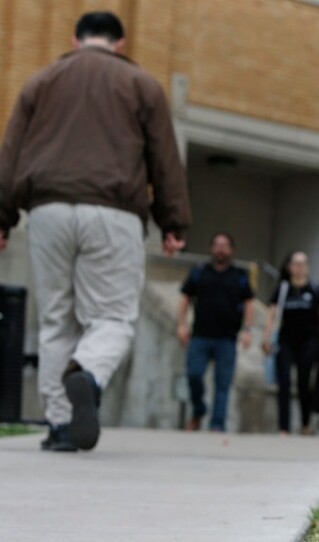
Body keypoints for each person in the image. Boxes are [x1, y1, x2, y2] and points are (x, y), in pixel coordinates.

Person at [0, 12, 190, 452]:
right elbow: (164, 157)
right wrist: (173, 221)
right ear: (120, 44)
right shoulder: (141, 85)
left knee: (55, 320)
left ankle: (60, 426)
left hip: (46, 211)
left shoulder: (40, 81)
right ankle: (87, 371)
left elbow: (10, 151)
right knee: (112, 316)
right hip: (113, 211)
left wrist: (3, 216)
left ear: (75, 39)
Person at [177, 233, 255, 432]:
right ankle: (199, 409)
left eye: (225, 246)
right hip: (200, 335)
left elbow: (249, 303)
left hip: (227, 338)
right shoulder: (199, 271)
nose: (221, 249)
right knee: (194, 375)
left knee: (223, 383)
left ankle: (217, 425)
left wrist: (247, 330)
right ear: (212, 248)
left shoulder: (239, 275)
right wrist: (182, 324)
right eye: (217, 245)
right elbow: (185, 298)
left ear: (232, 250)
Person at [262, 252, 319, 435]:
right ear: (289, 267)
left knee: (303, 382)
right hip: (286, 340)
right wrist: (267, 338)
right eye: (296, 263)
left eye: (303, 264)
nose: (300, 267)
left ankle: (305, 423)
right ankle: (283, 427)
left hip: (309, 341)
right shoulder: (283, 289)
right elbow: (272, 315)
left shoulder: (315, 289)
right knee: (283, 382)